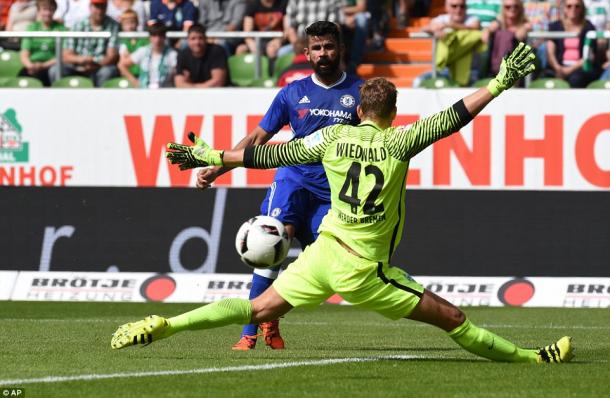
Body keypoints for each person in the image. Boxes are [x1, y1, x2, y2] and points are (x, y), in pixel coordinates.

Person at [114, 43, 574, 366]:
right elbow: (455, 116)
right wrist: (499, 83)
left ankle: (164, 324)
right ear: (393, 114)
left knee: (254, 310)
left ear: (358, 111)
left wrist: (210, 156)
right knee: (453, 318)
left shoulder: (332, 138)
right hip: (363, 269)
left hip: (322, 257)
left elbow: (268, 154)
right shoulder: (402, 142)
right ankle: (534, 358)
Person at [194, 21, 362, 350]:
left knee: (324, 262)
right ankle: (249, 331)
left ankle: (273, 313)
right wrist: (219, 166)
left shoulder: (359, 91)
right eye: (317, 48)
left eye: (329, 47)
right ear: (306, 53)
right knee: (271, 243)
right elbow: (258, 138)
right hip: (292, 179)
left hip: (333, 191)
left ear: (340, 50)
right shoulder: (292, 92)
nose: (324, 53)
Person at [51, 0, 120, 86]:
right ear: (90, 7)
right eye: (97, 7)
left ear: (106, 8)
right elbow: (66, 55)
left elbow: (111, 56)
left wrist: (95, 64)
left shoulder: (113, 25)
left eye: (102, 6)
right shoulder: (78, 25)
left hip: (100, 67)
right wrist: (82, 60)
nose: (100, 10)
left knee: (108, 72)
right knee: (55, 70)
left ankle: (101, 98)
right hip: (76, 66)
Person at [419, 0, 484, 86]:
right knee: (418, 81)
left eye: (462, 6)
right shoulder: (441, 19)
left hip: (470, 73)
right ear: (446, 7)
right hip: (445, 71)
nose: (458, 9)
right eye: (454, 6)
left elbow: (475, 27)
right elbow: (424, 28)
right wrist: (435, 30)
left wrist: (449, 25)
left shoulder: (472, 19)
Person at [545, 0, 600, 87]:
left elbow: (590, 55)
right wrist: (558, 68)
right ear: (564, 9)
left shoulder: (589, 27)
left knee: (576, 79)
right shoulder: (555, 26)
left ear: (582, 9)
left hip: (580, 69)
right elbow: (550, 51)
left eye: (577, 6)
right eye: (569, 6)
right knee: (545, 79)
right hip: (558, 67)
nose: (573, 9)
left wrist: (568, 70)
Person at [19, 0, 67, 86]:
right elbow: (24, 52)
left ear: (54, 11)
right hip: (32, 66)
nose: (47, 13)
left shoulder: (61, 29)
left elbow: (63, 55)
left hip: (50, 66)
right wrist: (30, 66)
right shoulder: (32, 27)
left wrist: (43, 65)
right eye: (45, 9)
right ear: (39, 11)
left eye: (50, 10)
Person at [118, 22, 177, 87]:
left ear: (164, 37)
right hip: (144, 91)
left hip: (165, 93)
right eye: (154, 35)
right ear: (149, 37)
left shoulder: (172, 54)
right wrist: (134, 81)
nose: (157, 40)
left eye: (160, 36)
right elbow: (121, 65)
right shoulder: (143, 51)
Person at [482, 0, 531, 77]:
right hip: (497, 69)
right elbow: (486, 33)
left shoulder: (525, 24)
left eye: (516, 6)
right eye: (508, 7)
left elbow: (521, 36)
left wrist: (524, 29)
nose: (512, 9)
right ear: (503, 9)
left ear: (520, 8)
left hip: (518, 70)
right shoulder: (498, 23)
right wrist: (487, 31)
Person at [173, 23, 228, 87]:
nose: (197, 42)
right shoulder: (182, 55)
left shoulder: (217, 51)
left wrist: (195, 87)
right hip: (191, 94)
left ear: (206, 39)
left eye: (200, 38)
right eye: (193, 39)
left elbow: (218, 82)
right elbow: (179, 83)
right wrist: (197, 89)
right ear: (188, 40)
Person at [117, 9, 147, 79]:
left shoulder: (145, 39)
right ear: (122, 25)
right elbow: (122, 64)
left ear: (137, 23)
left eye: (132, 22)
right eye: (126, 23)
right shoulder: (122, 42)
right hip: (128, 76)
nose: (130, 26)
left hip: (143, 74)